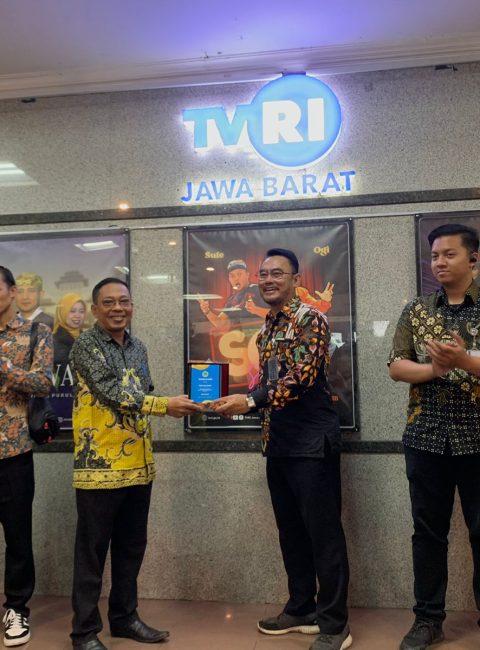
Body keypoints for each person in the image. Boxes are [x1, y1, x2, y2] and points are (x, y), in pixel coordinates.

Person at [212, 249, 351, 650]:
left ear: (295, 279)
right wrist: (237, 398)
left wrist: (249, 401)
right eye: (264, 274)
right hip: (278, 443)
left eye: (278, 273)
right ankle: (301, 607)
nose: (269, 280)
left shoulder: (311, 319)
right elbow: (268, 383)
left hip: (312, 444)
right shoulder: (267, 327)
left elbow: (303, 377)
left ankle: (335, 625)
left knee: (324, 535)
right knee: (291, 532)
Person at [69, 277, 203, 650]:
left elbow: (143, 393)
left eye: (124, 301)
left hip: (139, 465)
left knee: (131, 549)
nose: (118, 308)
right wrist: (164, 406)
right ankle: (84, 632)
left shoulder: (138, 346)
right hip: (99, 467)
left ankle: (124, 618)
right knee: (92, 553)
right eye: (109, 302)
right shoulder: (86, 345)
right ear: (95, 309)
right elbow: (112, 393)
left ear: (132, 306)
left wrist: (181, 403)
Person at [389, 223, 480, 650]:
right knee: (427, 533)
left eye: (449, 254)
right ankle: (427, 619)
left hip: (478, 438)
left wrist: (464, 360)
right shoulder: (417, 310)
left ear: (473, 259)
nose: (439, 262)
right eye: (434, 256)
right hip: (426, 436)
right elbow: (396, 366)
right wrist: (435, 368)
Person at [0, 266, 53, 647]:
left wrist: (4, 368)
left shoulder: (36, 332)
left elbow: (43, 382)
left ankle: (16, 608)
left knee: (17, 536)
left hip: (13, 450)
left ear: (12, 291)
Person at [197, 259, 267, 332]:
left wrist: (256, 310)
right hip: (239, 337)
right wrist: (207, 311)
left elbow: (274, 315)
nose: (236, 278)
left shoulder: (258, 289)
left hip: (258, 335)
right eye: (232, 276)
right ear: (229, 279)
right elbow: (220, 323)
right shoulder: (231, 300)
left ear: (247, 274)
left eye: (239, 274)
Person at [53, 293, 87, 379]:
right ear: (62, 312)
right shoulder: (53, 341)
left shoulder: (87, 339)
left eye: (81, 311)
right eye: (72, 311)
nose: (77, 315)